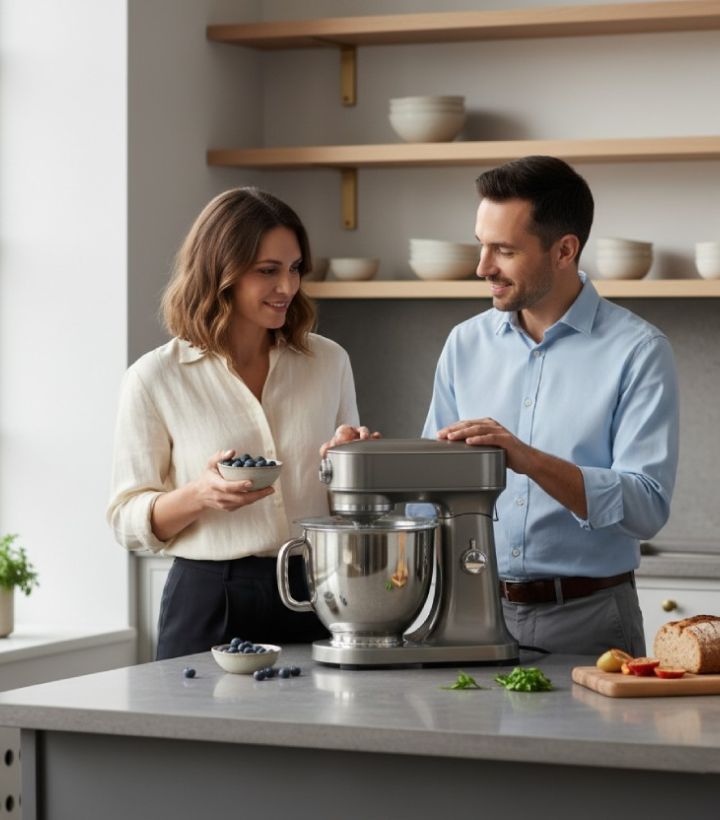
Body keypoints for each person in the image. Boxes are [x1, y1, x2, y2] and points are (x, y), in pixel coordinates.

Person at [326, 156, 679, 657]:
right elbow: (432, 502)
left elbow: (646, 508)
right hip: (471, 613)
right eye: (481, 244)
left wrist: (527, 459)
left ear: (564, 250)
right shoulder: (464, 345)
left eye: (504, 250)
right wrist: (373, 466)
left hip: (589, 621)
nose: (482, 267)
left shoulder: (639, 352)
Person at [107, 187, 375, 660]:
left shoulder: (329, 361)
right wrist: (199, 494)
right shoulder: (154, 378)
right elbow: (126, 521)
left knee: (315, 734)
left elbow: (348, 507)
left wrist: (355, 463)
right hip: (208, 597)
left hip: (313, 588)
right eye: (267, 271)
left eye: (294, 269)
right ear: (219, 273)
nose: (287, 287)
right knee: (202, 735)